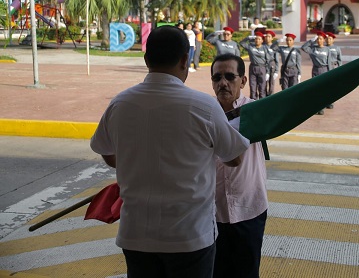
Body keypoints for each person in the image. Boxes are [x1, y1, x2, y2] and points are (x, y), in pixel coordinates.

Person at [90, 25, 249, 278]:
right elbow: (234, 158)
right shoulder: (204, 106)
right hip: (189, 237)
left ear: (146, 60)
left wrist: (138, 163)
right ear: (185, 59)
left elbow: (107, 153)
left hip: (136, 235)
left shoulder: (120, 104)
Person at [210, 54, 268, 278]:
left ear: (243, 81)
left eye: (229, 77)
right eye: (217, 78)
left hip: (249, 208)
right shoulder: (204, 113)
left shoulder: (257, 112)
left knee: (247, 272)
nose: (223, 83)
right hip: (212, 212)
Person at [300, 31, 332, 115]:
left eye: (321, 39)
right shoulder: (313, 49)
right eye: (318, 39)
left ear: (324, 40)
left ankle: (322, 106)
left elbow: (329, 62)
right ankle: (317, 106)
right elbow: (303, 47)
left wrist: (330, 73)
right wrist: (311, 40)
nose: (319, 40)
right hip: (315, 70)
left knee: (323, 89)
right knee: (316, 88)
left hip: (324, 69)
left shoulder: (327, 49)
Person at [239, 31, 270, 100]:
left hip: (262, 68)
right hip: (253, 68)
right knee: (253, 88)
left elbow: (268, 60)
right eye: (256, 39)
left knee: (262, 89)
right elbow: (242, 43)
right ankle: (253, 102)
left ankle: (262, 103)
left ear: (262, 40)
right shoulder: (251, 46)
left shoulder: (265, 48)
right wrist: (248, 38)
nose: (257, 40)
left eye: (259, 39)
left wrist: (268, 72)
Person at [324, 31, 342, 109]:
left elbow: (339, 60)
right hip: (325, 68)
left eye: (330, 39)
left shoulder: (336, 48)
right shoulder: (324, 48)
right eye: (327, 39)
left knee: (331, 86)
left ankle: (330, 102)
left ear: (333, 40)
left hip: (333, 67)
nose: (328, 40)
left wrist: (340, 70)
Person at [264, 30, 279, 96]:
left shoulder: (275, 47)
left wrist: (276, 71)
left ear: (272, 38)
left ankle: (271, 96)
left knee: (271, 82)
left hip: (271, 65)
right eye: (266, 36)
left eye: (269, 37)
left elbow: (277, 60)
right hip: (264, 65)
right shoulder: (263, 46)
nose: (267, 38)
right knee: (263, 83)